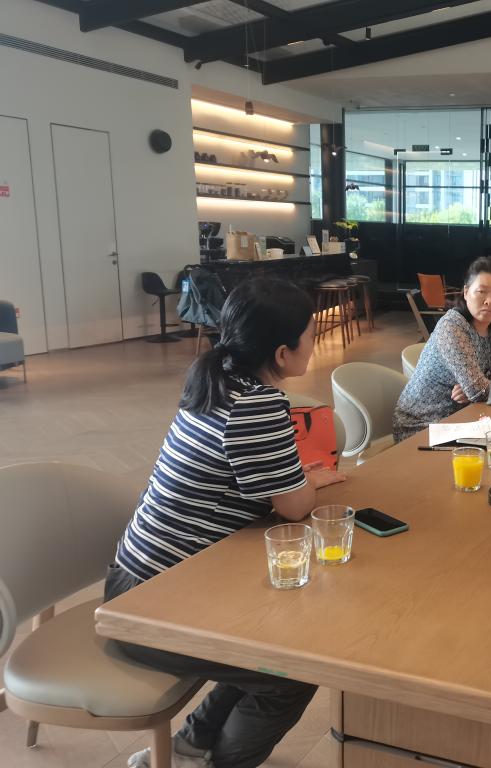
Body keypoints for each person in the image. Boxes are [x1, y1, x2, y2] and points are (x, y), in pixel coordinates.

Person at [105, 278, 346, 768]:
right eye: (310, 334)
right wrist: (307, 483)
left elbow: (265, 482)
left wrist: (296, 479)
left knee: (275, 641)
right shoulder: (258, 405)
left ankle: (189, 747)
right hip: (152, 604)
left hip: (137, 579)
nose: (314, 341)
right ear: (283, 353)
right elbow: (294, 507)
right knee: (290, 671)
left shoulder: (219, 379)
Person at [393, 256, 491, 442]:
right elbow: (479, 390)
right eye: (481, 292)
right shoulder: (452, 326)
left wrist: (486, 386)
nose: (490, 301)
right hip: (424, 425)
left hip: (469, 418)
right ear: (466, 292)